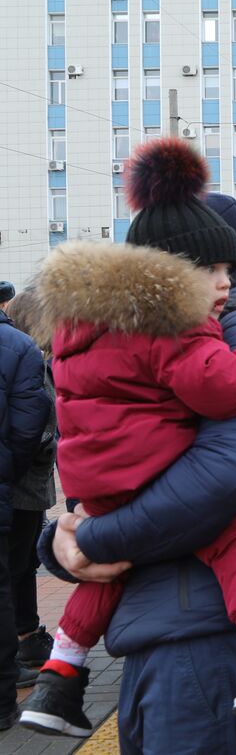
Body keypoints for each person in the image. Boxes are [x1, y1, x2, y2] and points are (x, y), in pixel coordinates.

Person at [22, 141, 236, 737]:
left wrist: (89, 536)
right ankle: (61, 683)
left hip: (205, 635)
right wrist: (58, 541)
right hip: (163, 630)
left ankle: (65, 675)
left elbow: (220, 480)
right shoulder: (170, 333)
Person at [0, 279, 49, 731]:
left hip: (17, 480)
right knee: (15, 569)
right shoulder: (23, 350)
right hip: (18, 483)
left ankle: (26, 639)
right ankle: (24, 643)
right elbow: (31, 423)